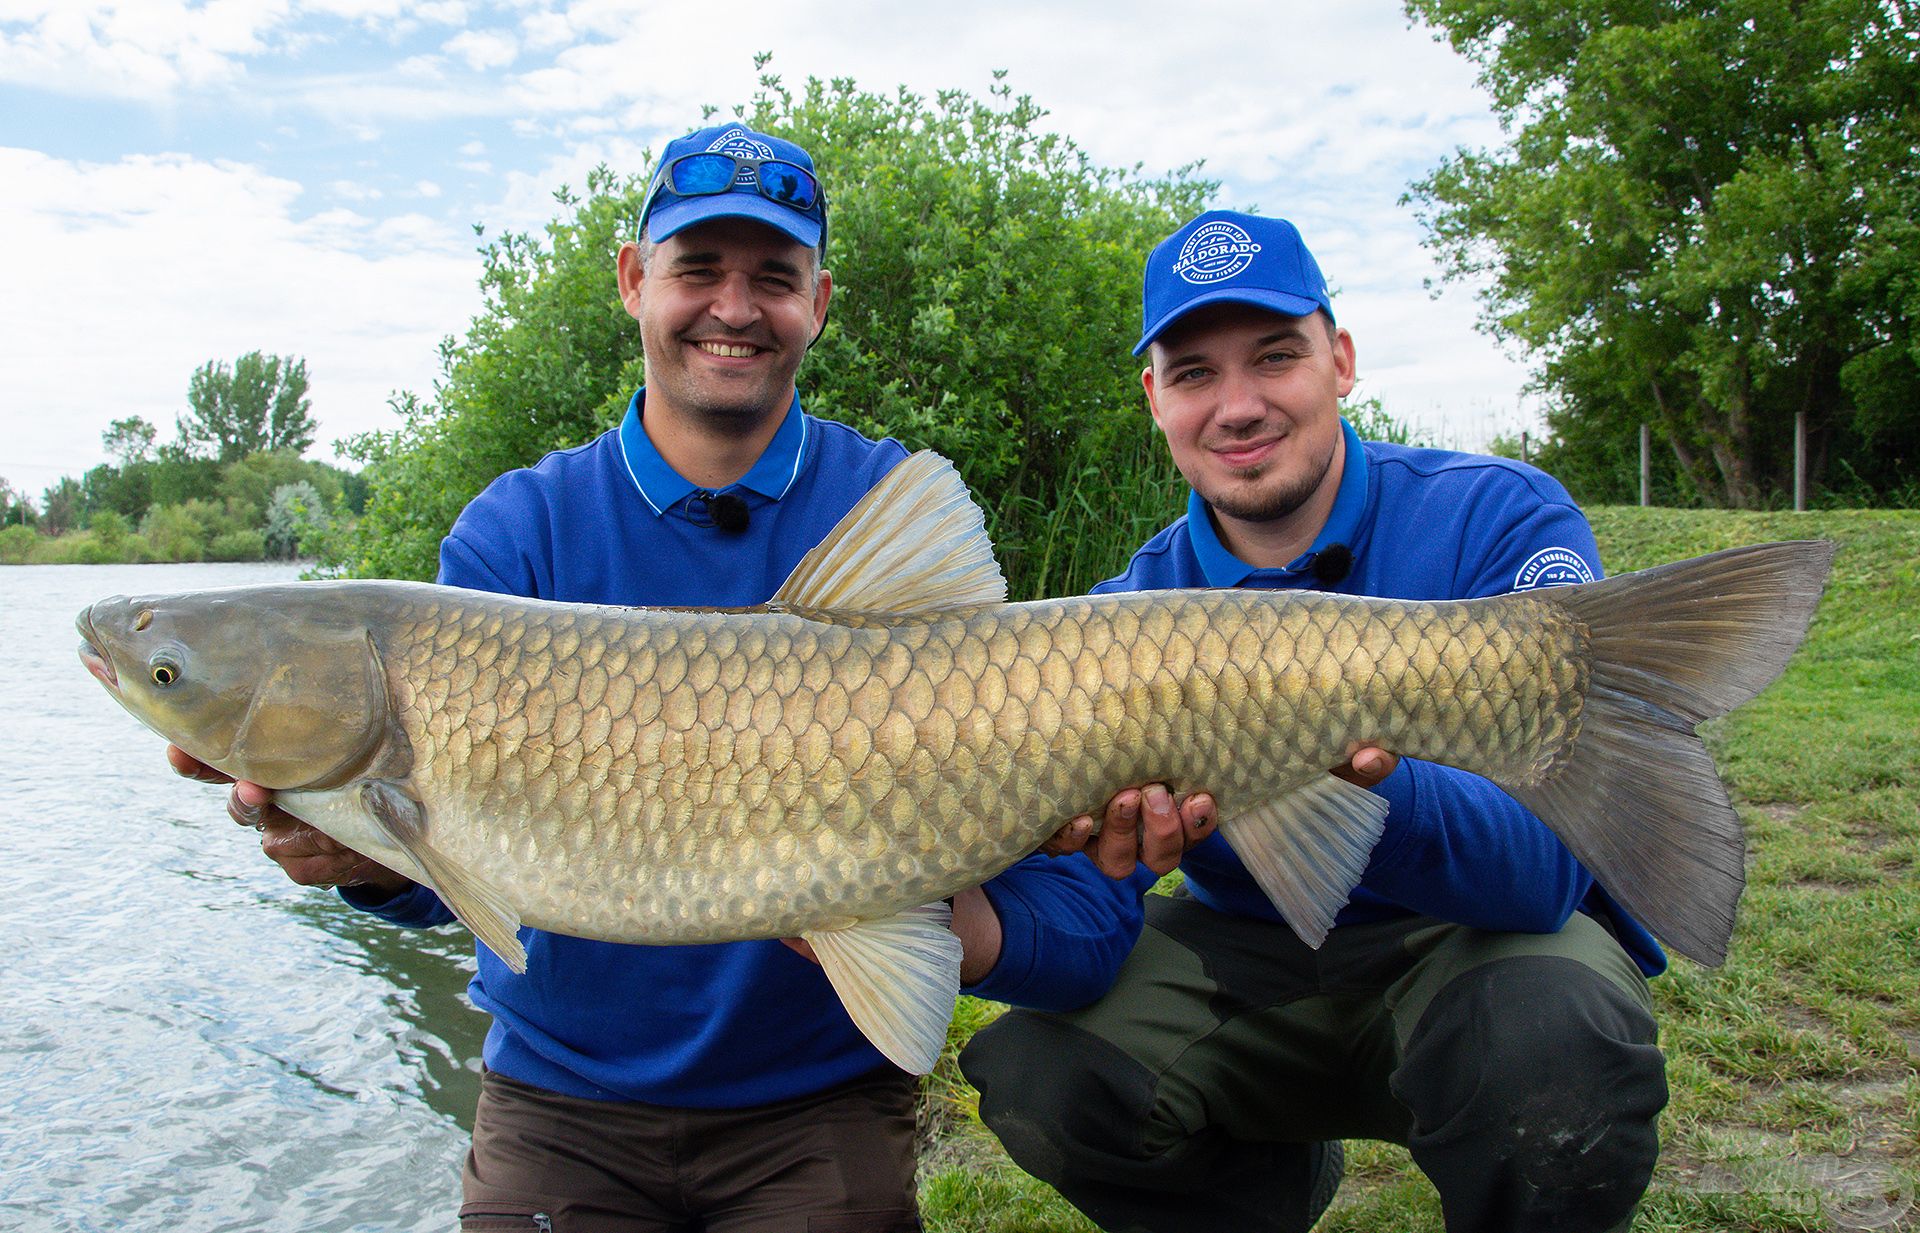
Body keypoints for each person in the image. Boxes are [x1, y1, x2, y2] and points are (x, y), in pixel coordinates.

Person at [168, 123, 1153, 1233]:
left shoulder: (882, 501)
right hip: (559, 1102)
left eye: (773, 278)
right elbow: (445, 881)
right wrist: (360, 858)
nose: (733, 308)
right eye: (697, 271)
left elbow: (1077, 921)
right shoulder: (519, 533)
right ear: (636, 282)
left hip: (817, 1101)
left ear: (817, 302)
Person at [959, 210, 1670, 1233]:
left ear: (1340, 361)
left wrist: (1345, 766)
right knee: (1042, 1067)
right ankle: (1263, 1197)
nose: (1238, 405)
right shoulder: (1121, 617)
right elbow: (1085, 925)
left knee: (1555, 1033)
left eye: (1276, 358)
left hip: (1471, 945)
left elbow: (1545, 873)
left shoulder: (1495, 517)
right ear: (1155, 398)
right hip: (1248, 952)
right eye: (1195, 372)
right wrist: (969, 932)